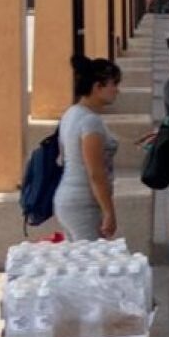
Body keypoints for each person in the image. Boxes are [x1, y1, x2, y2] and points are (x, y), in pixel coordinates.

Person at [54, 56, 122, 241]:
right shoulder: (90, 121)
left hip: (69, 198)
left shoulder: (71, 113)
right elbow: (95, 173)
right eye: (114, 84)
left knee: (80, 255)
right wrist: (109, 211)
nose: (117, 90)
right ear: (97, 87)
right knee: (92, 256)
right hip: (84, 204)